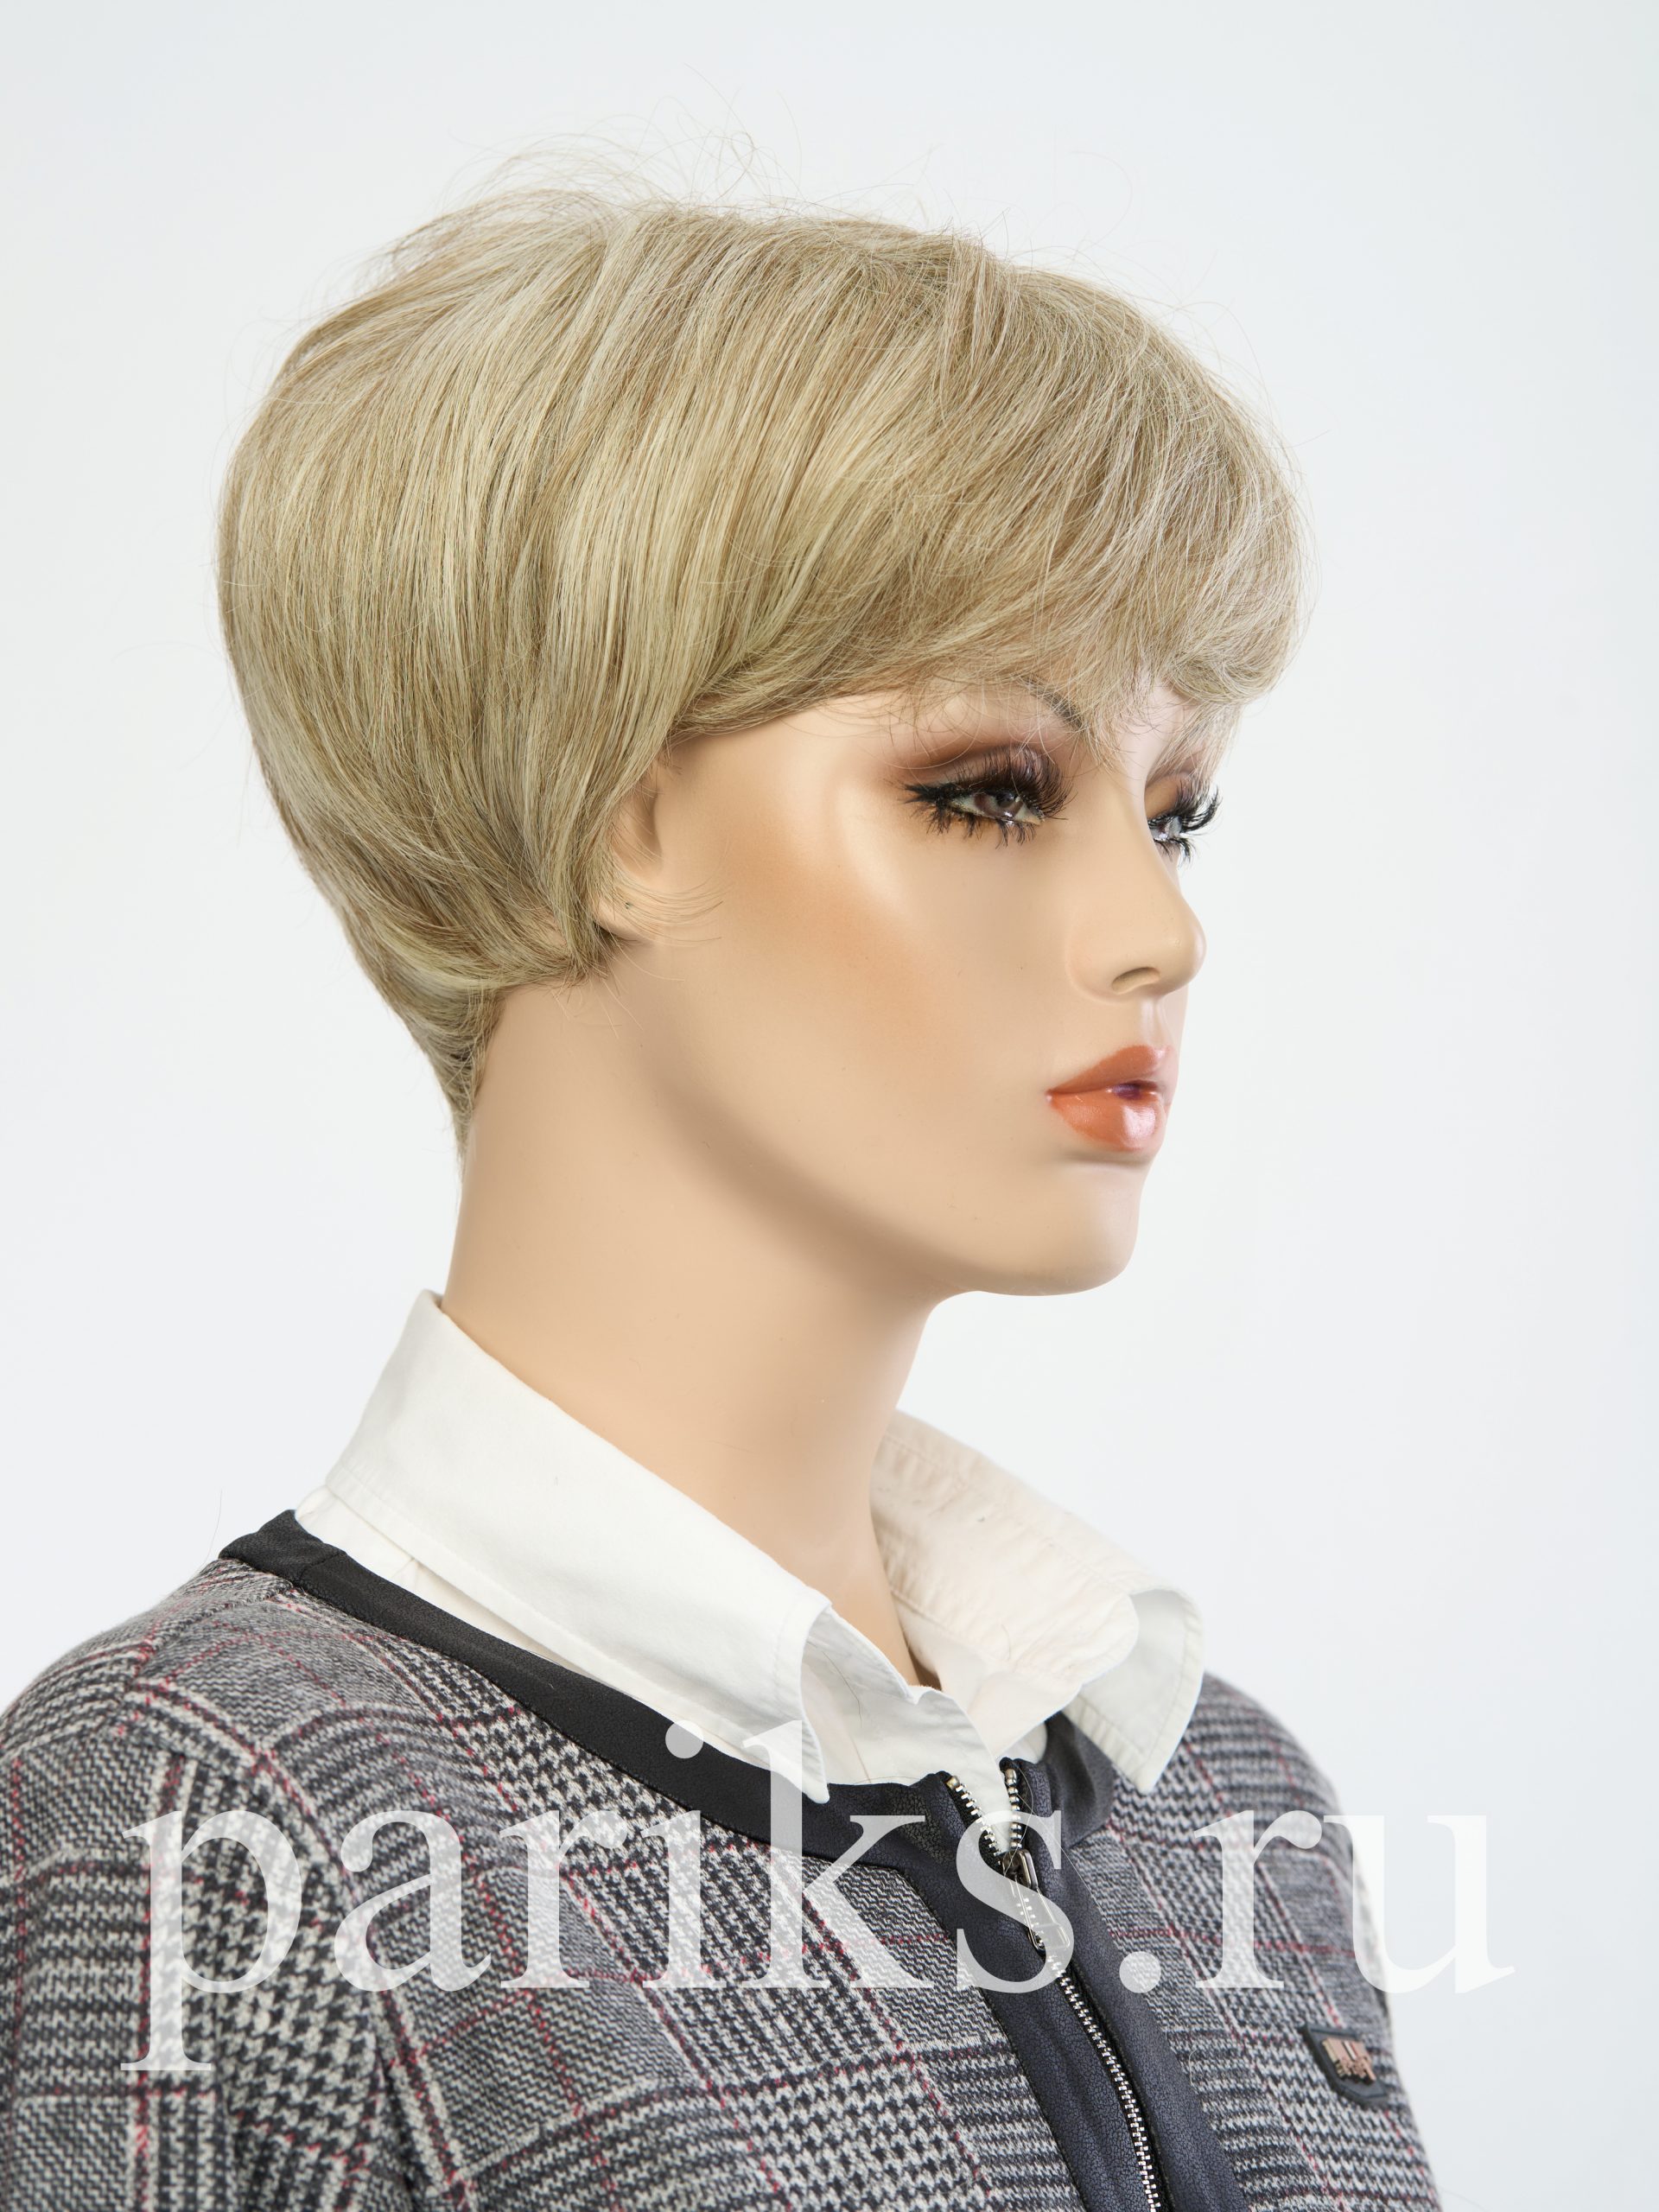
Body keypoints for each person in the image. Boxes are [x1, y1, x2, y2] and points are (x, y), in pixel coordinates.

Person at [0, 169, 1442, 2209]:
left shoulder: (1211, 1797)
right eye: (990, 791)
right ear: (609, 808)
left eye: (1176, 811)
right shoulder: (199, 1803)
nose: (1157, 928)